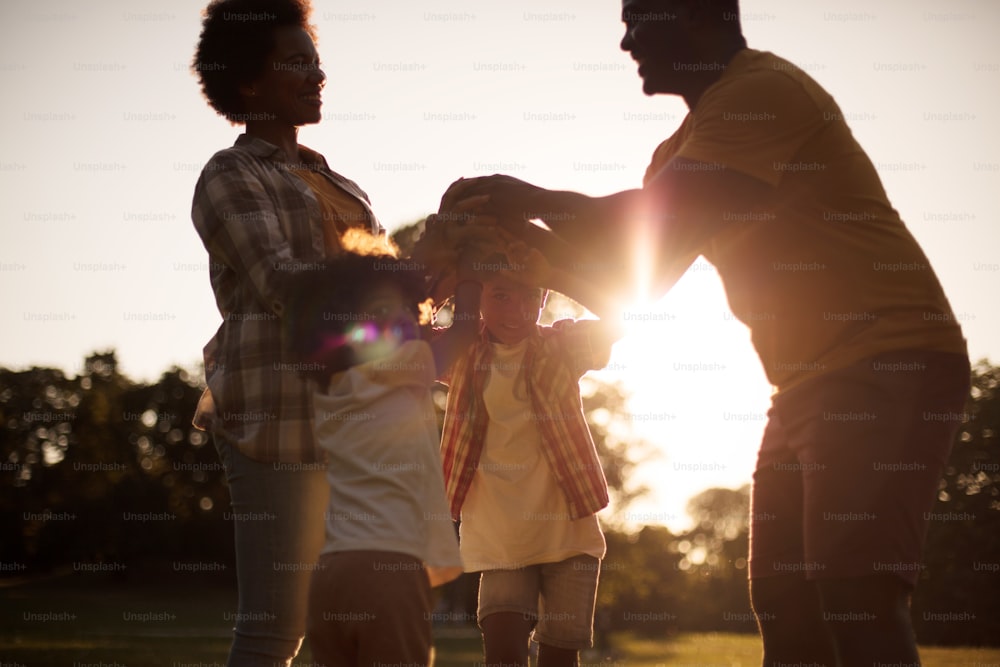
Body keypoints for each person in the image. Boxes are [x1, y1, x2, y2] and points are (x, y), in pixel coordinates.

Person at [441, 1, 971, 664]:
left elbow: (645, 219)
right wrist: (512, 239)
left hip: (889, 356)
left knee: (854, 587)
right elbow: (633, 282)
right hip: (804, 384)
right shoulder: (676, 149)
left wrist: (521, 197)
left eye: (639, 19)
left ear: (697, 16)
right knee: (784, 599)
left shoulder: (763, 92)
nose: (626, 39)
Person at [189, 1, 384, 663]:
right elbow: (282, 284)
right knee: (276, 627)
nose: (316, 72)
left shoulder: (343, 187)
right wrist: (406, 268)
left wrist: (452, 269)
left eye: (315, 58)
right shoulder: (231, 173)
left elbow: (390, 313)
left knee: (349, 626)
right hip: (276, 422)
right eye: (296, 61)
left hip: (356, 430)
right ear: (248, 82)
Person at [280, 250, 483, 666]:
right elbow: (463, 334)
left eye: (408, 307)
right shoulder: (403, 365)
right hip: (388, 572)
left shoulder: (329, 391)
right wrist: (470, 274)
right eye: (383, 310)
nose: (407, 317)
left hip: (330, 576)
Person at [434, 230, 622, 667]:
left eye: (529, 297)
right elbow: (401, 333)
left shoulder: (561, 345)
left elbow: (621, 316)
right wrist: (456, 278)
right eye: (500, 296)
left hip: (569, 533)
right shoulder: (461, 351)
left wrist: (556, 270)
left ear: (543, 298)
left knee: (559, 661)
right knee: (503, 656)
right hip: (499, 537)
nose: (517, 312)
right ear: (478, 297)